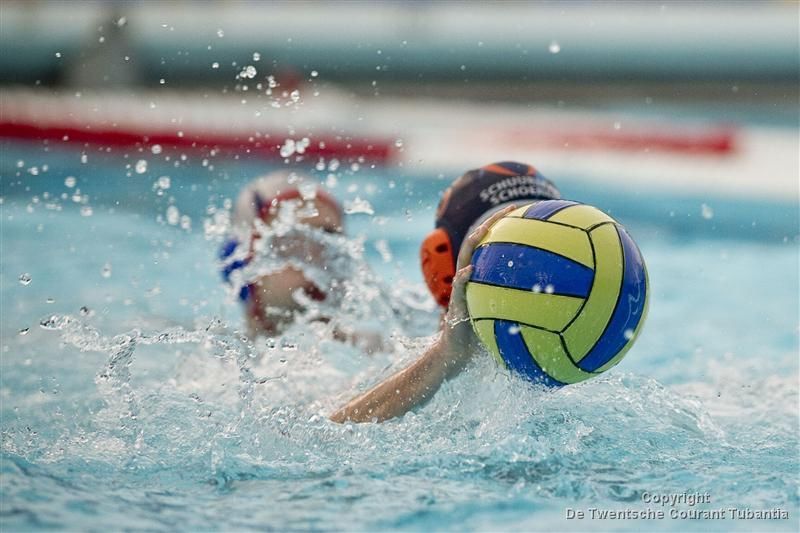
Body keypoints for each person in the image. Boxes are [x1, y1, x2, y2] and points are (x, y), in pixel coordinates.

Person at [330, 161, 562, 423]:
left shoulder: (581, 350)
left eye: (550, 247)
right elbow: (323, 434)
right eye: (503, 244)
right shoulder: (383, 349)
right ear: (445, 267)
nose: (527, 264)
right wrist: (446, 356)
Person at [219, 171, 384, 352]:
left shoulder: (384, 353)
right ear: (242, 264)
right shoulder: (211, 360)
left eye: (328, 237)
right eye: (291, 240)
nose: (315, 259)